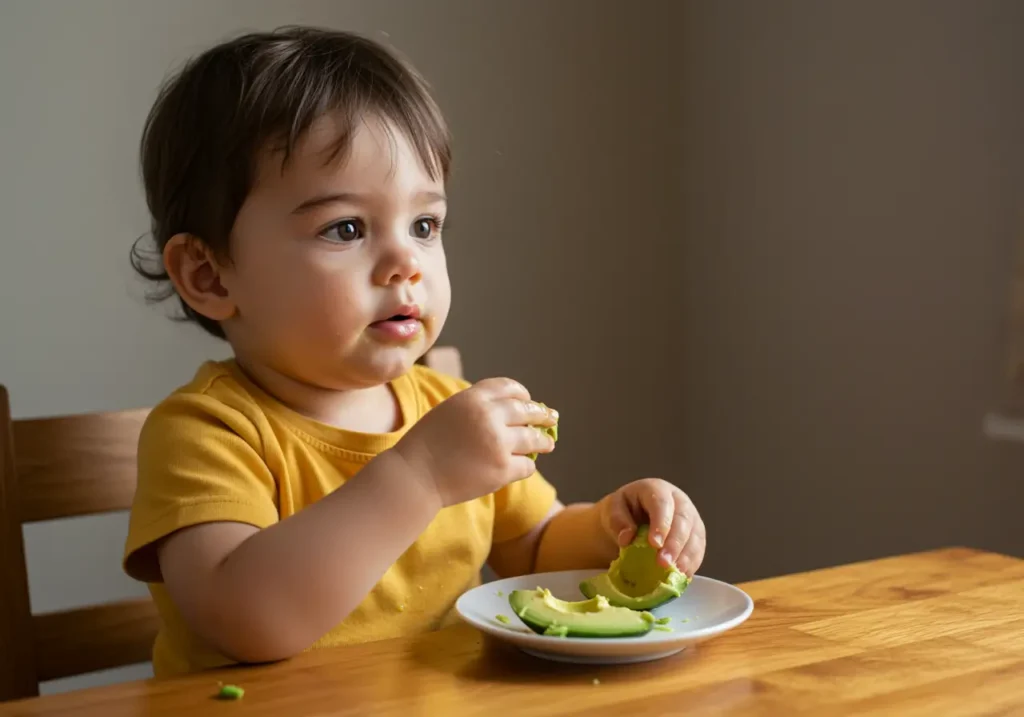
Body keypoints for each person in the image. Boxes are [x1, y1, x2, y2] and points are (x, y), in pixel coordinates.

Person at [123, 26, 706, 678]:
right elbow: (250, 618)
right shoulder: (204, 434)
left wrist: (616, 531)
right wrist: (421, 475)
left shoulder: (446, 409)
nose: (406, 261)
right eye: (345, 228)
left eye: (424, 224)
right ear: (210, 275)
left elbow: (536, 547)